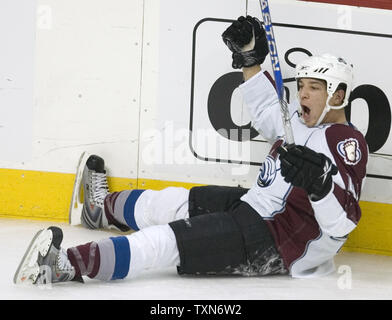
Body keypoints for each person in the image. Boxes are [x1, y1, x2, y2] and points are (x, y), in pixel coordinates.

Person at [14, 16, 368, 285]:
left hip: (275, 239)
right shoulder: (299, 120)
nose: (303, 95)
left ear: (338, 95)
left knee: (164, 240)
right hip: (254, 206)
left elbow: (341, 224)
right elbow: (265, 111)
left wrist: (321, 187)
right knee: (166, 202)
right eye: (302, 86)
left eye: (315, 88)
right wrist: (250, 60)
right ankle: (97, 211)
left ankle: (62, 266)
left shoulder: (345, 142)